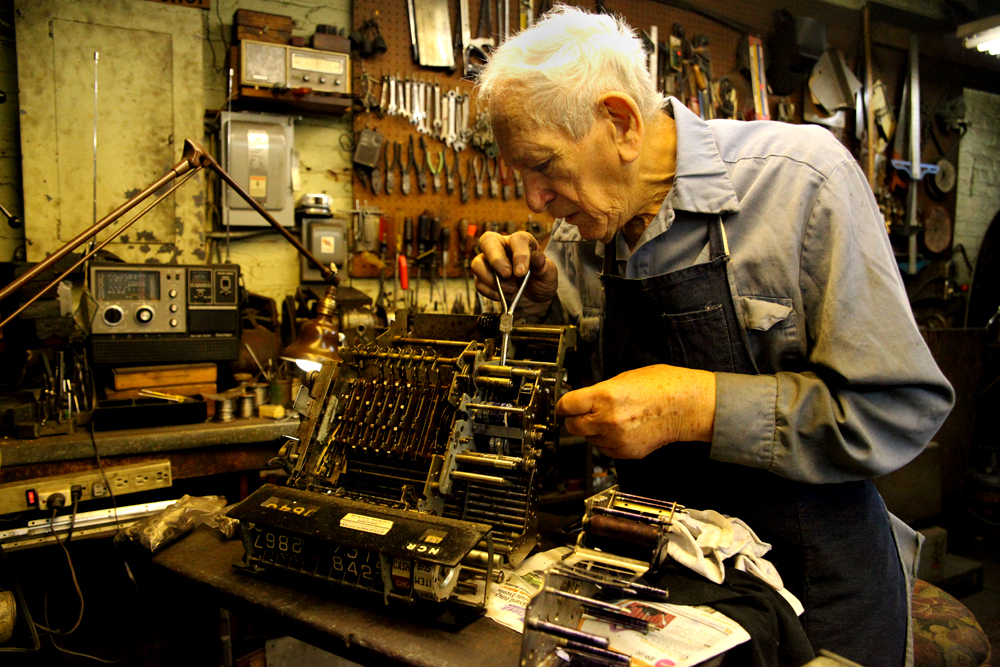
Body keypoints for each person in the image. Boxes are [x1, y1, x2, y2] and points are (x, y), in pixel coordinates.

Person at [471, 6, 954, 667]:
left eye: (544, 166)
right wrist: (535, 305)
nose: (532, 200)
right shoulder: (583, 237)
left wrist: (696, 406)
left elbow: (899, 409)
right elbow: (591, 394)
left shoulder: (802, 182)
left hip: (819, 591)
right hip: (672, 588)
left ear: (620, 123)